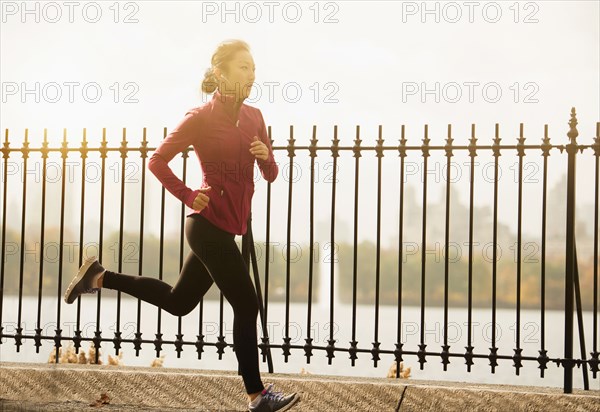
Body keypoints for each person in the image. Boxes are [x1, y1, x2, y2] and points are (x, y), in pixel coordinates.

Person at [64, 39, 299, 412]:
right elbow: (157, 160)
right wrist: (189, 195)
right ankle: (257, 396)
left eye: (254, 68)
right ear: (221, 74)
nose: (252, 75)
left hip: (228, 227)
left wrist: (266, 157)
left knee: (179, 302)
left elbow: (269, 174)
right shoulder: (200, 117)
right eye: (243, 68)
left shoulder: (255, 117)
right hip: (206, 225)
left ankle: (98, 276)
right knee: (247, 303)